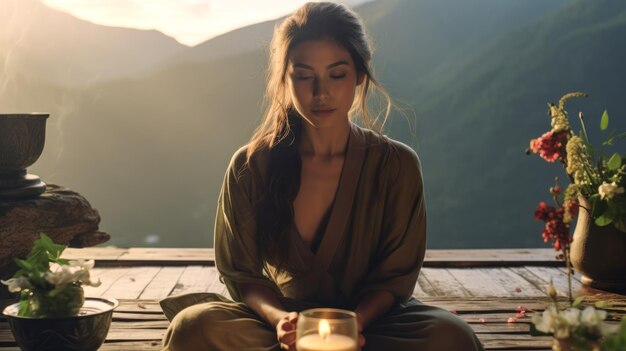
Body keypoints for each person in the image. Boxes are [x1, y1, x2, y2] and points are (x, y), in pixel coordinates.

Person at [160, 2, 484, 350]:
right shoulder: (251, 165)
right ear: (285, 78)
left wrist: (356, 323)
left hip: (372, 327)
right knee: (193, 325)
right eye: (304, 76)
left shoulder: (396, 165)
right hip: (281, 329)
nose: (321, 92)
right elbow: (243, 274)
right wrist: (280, 320)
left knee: (450, 335)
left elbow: (394, 278)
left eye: (337, 73)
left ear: (360, 74)